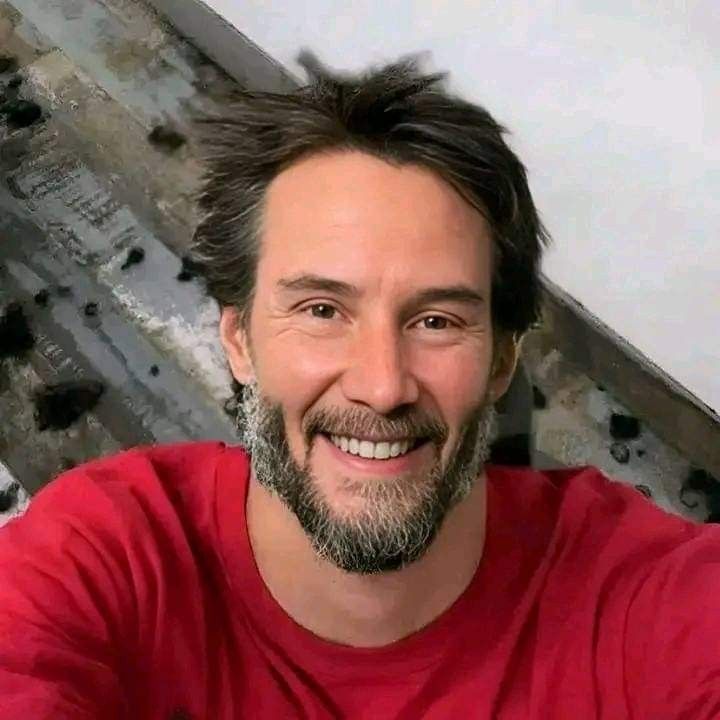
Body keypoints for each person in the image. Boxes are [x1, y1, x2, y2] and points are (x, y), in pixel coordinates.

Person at [0, 51, 718, 720]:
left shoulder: (641, 596)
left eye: (436, 320)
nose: (382, 386)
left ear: (502, 362)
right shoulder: (102, 561)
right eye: (321, 310)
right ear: (239, 339)